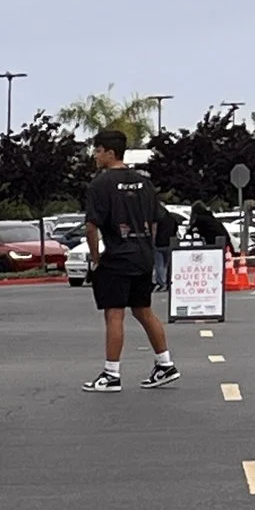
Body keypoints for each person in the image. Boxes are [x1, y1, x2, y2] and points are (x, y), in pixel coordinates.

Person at [80, 129, 178, 392]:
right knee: (143, 309)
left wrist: (96, 258)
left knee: (114, 313)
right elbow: (156, 220)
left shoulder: (100, 184)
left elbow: (91, 226)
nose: (95, 156)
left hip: (118, 256)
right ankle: (165, 364)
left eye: (98, 151)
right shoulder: (144, 182)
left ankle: (111, 374)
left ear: (110, 153)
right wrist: (148, 247)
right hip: (143, 255)